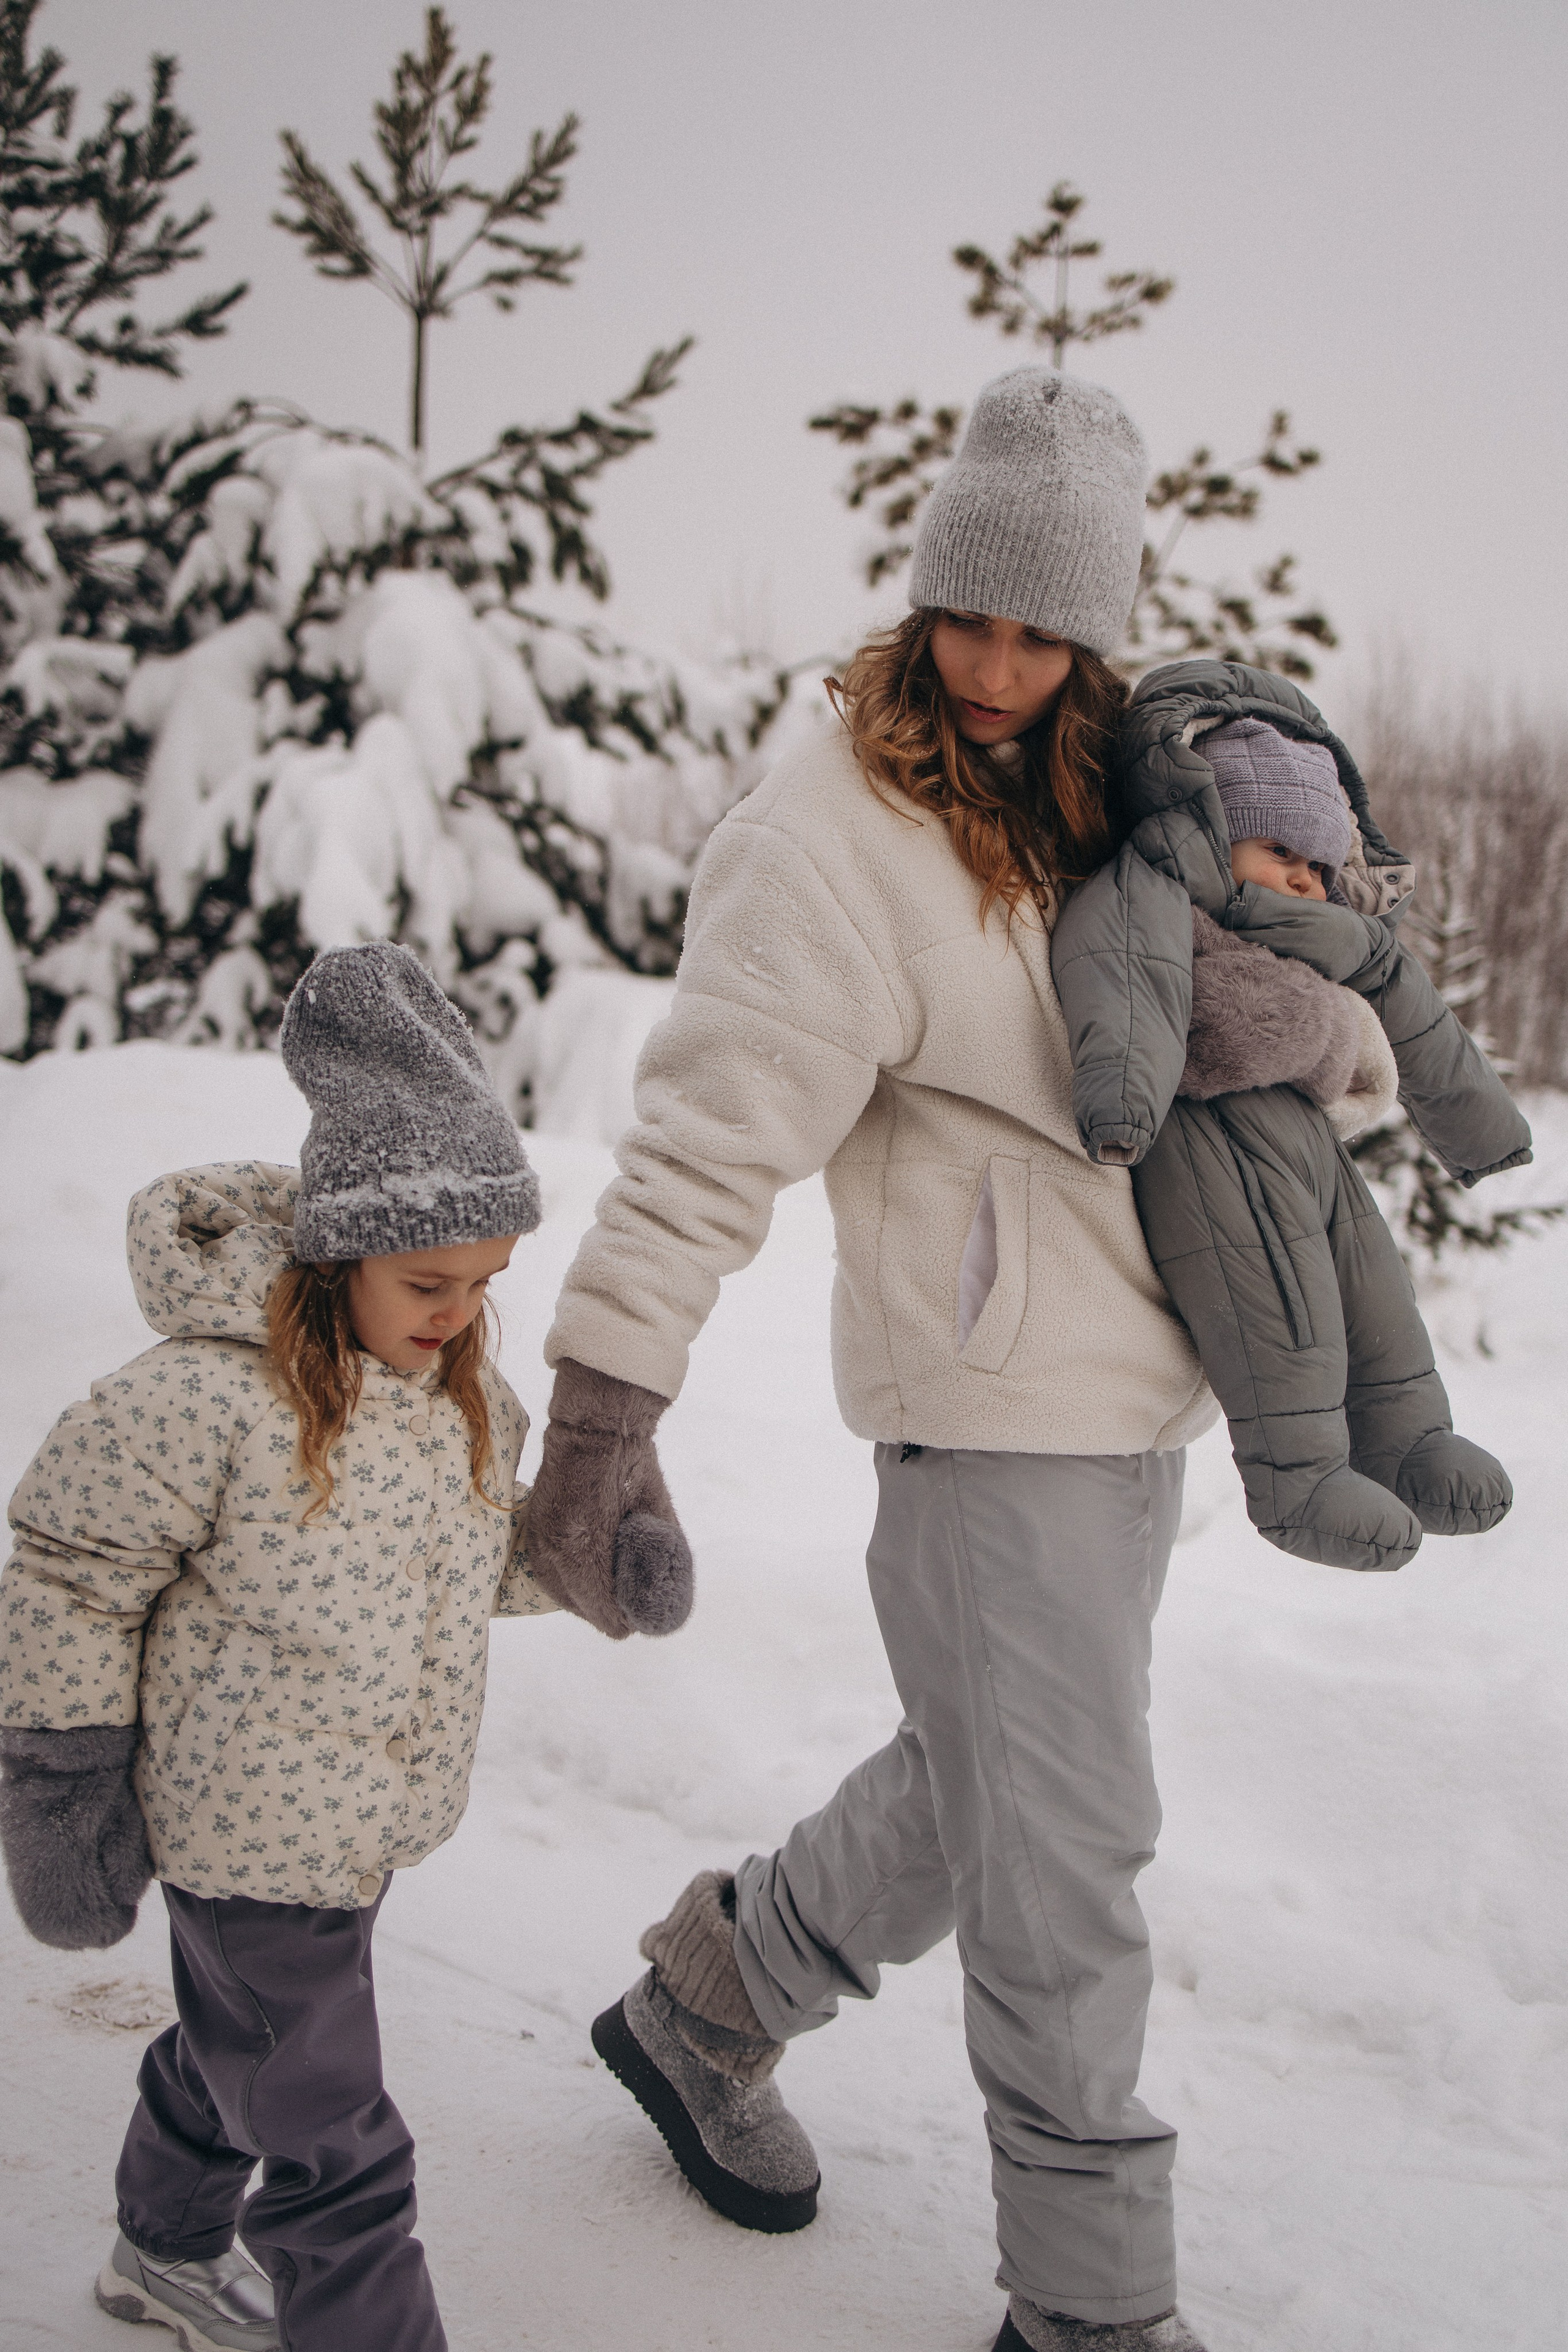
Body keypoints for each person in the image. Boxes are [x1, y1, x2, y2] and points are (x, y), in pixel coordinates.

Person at [524, 367, 1218, 2351]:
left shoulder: (1103, 803)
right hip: (987, 1418)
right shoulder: (834, 827)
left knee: (993, 1779)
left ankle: (714, 1995)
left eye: (1041, 625)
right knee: (1064, 1863)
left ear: (1092, 632)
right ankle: (1094, 2312)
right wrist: (602, 1412)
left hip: (1116, 1407)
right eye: (968, 616)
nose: (997, 663)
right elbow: (705, 1133)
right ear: (921, 603)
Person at [0, 943, 687, 2352]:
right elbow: (70, 1573)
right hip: (240, 1834)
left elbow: (458, 1560)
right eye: (431, 1279)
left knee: (238, 2049)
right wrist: (60, 1777)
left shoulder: (443, 1390)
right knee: (338, 2151)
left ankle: (163, 2254)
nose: (458, 1313)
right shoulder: (204, 1398)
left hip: (349, 1824)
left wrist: (576, 1557)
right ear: (339, 1249)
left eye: (486, 1282)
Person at [1050, 692, 1525, 1570]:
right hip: (1205, 1126)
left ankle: (1409, 1442)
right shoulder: (1151, 885)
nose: (1305, 878)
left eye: (1317, 862)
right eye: (1278, 850)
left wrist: (1478, 1130)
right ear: (1208, 830)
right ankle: (1297, 1480)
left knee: (1372, 1284)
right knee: (1276, 1299)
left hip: (1305, 1127)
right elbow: (1121, 976)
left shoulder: (1312, 932)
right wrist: (1123, 1097)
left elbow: (1408, 1005)